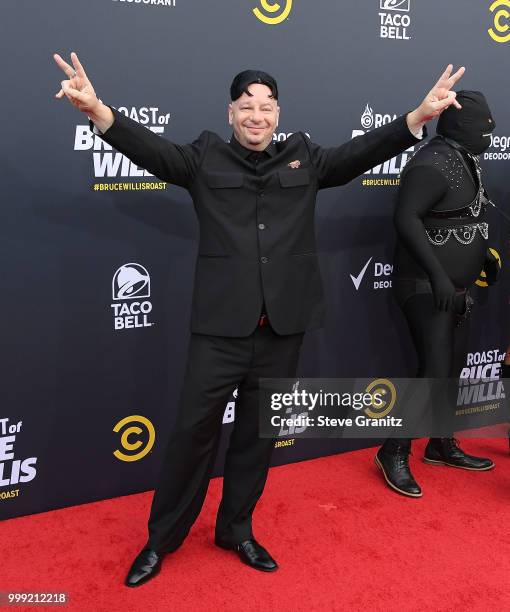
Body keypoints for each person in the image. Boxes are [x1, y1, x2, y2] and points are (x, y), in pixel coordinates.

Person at [53, 51, 464, 586]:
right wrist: (98, 109)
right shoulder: (203, 158)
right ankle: (161, 540)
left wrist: (416, 118)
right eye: (246, 105)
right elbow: (150, 150)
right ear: (230, 113)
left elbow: (361, 153)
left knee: (256, 437)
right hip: (220, 330)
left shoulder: (305, 158)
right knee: (191, 435)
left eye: (266, 106)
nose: (257, 115)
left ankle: (236, 529)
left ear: (278, 113)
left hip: (282, 327)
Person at [375, 91, 497, 498]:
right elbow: (405, 218)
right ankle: (392, 451)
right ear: (462, 127)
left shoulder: (463, 157)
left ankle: (440, 443)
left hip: (457, 287)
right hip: (426, 286)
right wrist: (439, 276)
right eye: (485, 127)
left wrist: (482, 261)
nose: (491, 134)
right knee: (433, 369)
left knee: (451, 367)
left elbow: (465, 216)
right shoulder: (431, 163)